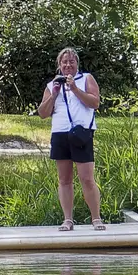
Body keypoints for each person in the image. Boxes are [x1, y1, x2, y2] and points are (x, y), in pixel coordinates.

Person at [37, 47, 103, 230]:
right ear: (59, 65)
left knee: (87, 178)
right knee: (64, 179)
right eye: (64, 62)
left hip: (81, 133)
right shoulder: (52, 85)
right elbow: (42, 113)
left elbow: (95, 103)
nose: (68, 65)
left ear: (77, 64)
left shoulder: (86, 79)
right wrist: (54, 95)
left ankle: (96, 218)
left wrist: (74, 88)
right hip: (60, 133)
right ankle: (68, 219)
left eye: (71, 62)